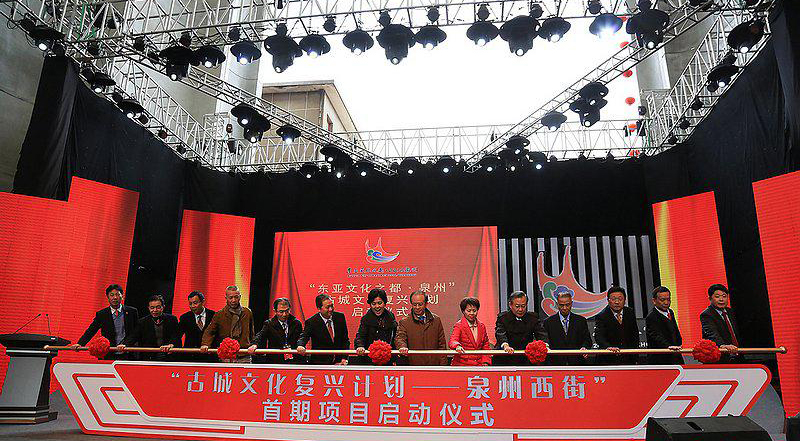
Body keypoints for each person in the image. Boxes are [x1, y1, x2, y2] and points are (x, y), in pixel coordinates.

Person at [76, 284, 139, 359]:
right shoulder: (102, 314)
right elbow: (91, 330)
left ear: (122, 296)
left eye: (117, 294)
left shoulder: (132, 311)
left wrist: (126, 344)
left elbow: (136, 331)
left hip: (128, 352)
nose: (115, 297)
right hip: (108, 353)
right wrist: (80, 344)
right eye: (112, 295)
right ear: (108, 297)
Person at [201, 285, 255, 363]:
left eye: (236, 297)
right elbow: (210, 331)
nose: (233, 300)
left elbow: (251, 333)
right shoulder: (219, 314)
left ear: (240, 297)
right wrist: (205, 344)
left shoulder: (247, 312)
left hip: (244, 354)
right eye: (231, 297)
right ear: (226, 298)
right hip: (226, 355)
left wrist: (253, 345)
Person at [494, 291, 548, 365]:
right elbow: (500, 334)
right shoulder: (503, 318)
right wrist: (505, 346)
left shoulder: (533, 318)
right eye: (517, 306)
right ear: (510, 305)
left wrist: (545, 346)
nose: (520, 309)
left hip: (525, 358)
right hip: (505, 358)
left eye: (523, 306)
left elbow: (541, 334)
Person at [395, 291, 448, 365]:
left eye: (420, 304)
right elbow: (400, 338)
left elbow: (442, 345)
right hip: (414, 365)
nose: (417, 307)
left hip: (433, 365)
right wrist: (402, 347)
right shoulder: (405, 322)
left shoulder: (436, 320)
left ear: (426, 304)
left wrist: (443, 366)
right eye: (414, 304)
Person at [122, 295, 182, 361]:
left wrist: (171, 344)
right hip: (149, 357)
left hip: (168, 355)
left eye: (158, 307)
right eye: (152, 308)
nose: (155, 310)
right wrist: (125, 344)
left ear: (163, 307)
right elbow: (133, 336)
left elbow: (176, 336)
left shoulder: (172, 319)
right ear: (148, 308)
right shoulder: (142, 322)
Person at [542, 289, 592, 365]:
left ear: (571, 303)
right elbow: (546, 342)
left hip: (577, 362)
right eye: (561, 305)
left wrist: (584, 347)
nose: (564, 308)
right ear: (557, 304)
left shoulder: (581, 321)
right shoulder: (548, 322)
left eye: (567, 305)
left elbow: (587, 340)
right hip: (556, 363)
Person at [296, 294, 350, 365]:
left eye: (332, 306)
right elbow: (304, 336)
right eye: (327, 307)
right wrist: (300, 345)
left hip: (339, 363)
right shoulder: (312, 322)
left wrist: (344, 358)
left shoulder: (340, 317)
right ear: (319, 308)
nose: (331, 309)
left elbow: (345, 340)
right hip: (320, 363)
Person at [247, 297, 303, 364]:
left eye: (287, 311)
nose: (284, 314)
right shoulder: (269, 324)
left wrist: (301, 345)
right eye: (281, 312)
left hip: (294, 360)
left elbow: (302, 338)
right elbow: (260, 336)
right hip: (275, 360)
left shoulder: (296, 323)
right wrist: (254, 345)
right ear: (275, 311)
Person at [593, 286, 641, 365]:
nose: (617, 302)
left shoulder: (630, 312)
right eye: (613, 299)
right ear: (608, 300)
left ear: (625, 300)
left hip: (628, 358)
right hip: (608, 359)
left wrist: (635, 355)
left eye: (620, 299)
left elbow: (635, 335)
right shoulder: (602, 316)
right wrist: (608, 347)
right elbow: (599, 336)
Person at [353, 289, 398, 365]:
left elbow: (395, 337)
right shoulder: (366, 319)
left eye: (380, 303)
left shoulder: (391, 317)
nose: (377, 306)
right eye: (373, 304)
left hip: (387, 359)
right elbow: (360, 336)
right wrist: (360, 346)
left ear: (385, 303)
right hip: (369, 359)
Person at [700, 283, 742, 363]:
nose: (721, 299)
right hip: (720, 357)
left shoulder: (730, 312)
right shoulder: (706, 315)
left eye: (724, 296)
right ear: (710, 298)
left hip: (737, 355)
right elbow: (712, 334)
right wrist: (723, 346)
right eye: (717, 296)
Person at [645, 286, 683, 365]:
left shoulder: (670, 312)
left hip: (675, 355)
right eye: (662, 300)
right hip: (660, 359)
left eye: (668, 299)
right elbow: (656, 336)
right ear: (654, 301)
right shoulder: (651, 317)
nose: (666, 302)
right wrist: (668, 346)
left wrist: (679, 342)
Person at [450, 297, 491, 366]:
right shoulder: (459, 325)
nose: (472, 313)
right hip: (462, 365)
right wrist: (457, 346)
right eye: (469, 311)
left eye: (474, 310)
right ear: (463, 311)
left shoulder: (482, 326)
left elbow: (486, 345)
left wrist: (485, 362)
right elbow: (453, 340)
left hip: (479, 365)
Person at [178, 291, 215, 362]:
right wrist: (171, 344)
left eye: (195, 303)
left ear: (203, 302)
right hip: (190, 357)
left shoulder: (213, 315)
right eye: (190, 304)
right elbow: (177, 335)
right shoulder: (185, 318)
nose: (192, 306)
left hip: (209, 357)